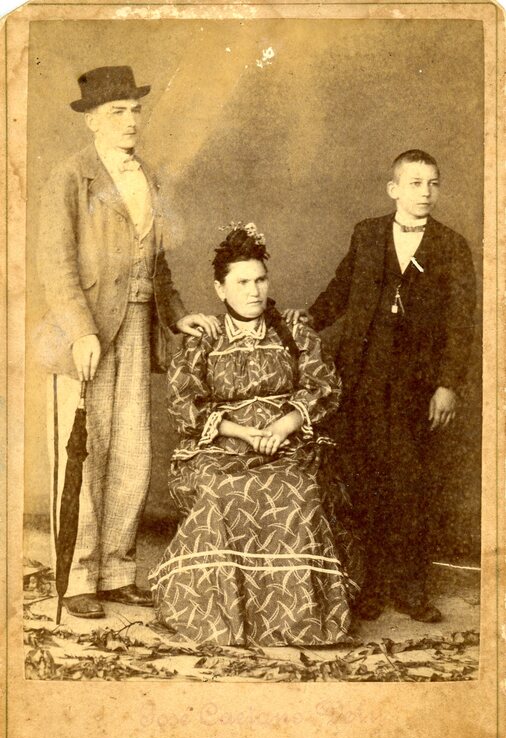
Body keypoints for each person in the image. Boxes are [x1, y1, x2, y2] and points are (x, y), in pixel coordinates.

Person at [36, 66, 220, 619]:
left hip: (138, 325)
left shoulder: (150, 177)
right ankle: (77, 577)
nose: (131, 121)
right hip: (86, 333)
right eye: (117, 112)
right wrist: (81, 330)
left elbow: (158, 265)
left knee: (133, 448)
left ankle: (116, 571)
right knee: (85, 451)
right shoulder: (71, 177)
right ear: (92, 121)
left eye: (135, 110)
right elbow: (56, 265)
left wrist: (179, 318)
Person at [285, 150, 476, 623]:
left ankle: (410, 588)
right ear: (394, 189)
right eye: (415, 183)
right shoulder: (367, 234)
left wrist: (447, 385)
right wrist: (301, 324)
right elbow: (339, 291)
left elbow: (461, 324)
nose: (425, 193)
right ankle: (370, 586)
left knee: (411, 483)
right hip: (365, 379)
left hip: (418, 386)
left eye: (433, 183)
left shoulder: (452, 246)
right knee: (367, 480)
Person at [149, 223, 361, 646]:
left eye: (260, 280)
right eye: (242, 282)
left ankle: (297, 620)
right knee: (220, 490)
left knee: (295, 488)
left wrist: (283, 426)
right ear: (220, 289)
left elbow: (322, 386)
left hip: (288, 442)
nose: (254, 291)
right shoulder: (204, 338)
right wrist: (243, 431)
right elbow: (185, 403)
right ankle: (225, 618)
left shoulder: (293, 330)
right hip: (221, 444)